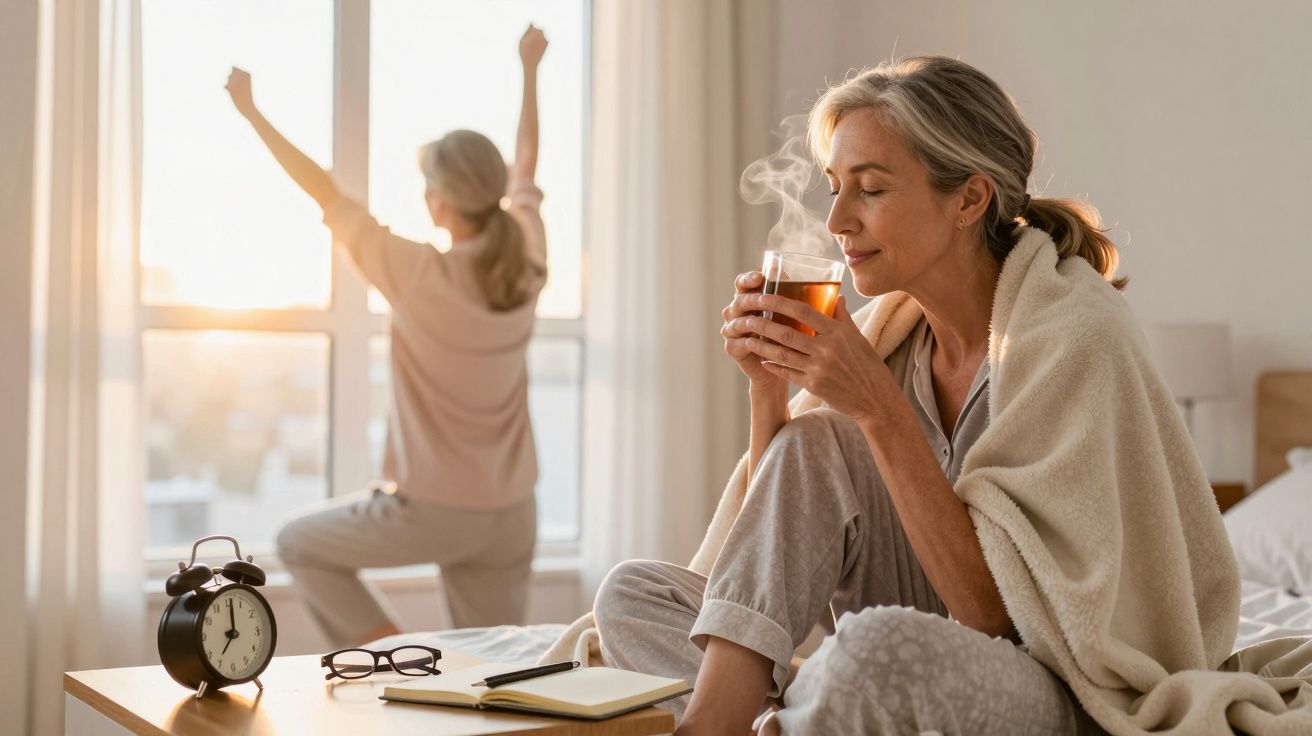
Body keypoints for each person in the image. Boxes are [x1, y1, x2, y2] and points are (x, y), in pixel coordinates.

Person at [588, 56, 1242, 735]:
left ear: (969, 198)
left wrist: (876, 405)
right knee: (633, 597)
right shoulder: (894, 337)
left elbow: (991, 616)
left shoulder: (1073, 338)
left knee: (874, 652)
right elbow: (769, 572)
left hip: (1050, 678)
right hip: (906, 642)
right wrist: (769, 393)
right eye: (835, 187)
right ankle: (765, 721)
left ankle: (741, 722)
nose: (837, 219)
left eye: (869, 189)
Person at [224, 25, 551, 645]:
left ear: (437, 203)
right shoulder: (529, 256)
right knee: (496, 665)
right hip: (513, 512)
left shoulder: (416, 272)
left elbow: (324, 190)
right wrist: (530, 71)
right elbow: (527, 165)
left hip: (433, 511)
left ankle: (402, 657)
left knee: (298, 543)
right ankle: (443, 676)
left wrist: (252, 113)